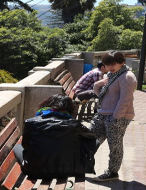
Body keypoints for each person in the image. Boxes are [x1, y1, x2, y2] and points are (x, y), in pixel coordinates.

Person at [13, 94, 97, 178]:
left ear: (46, 104)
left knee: (17, 147)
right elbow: (92, 137)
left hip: (35, 171)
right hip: (71, 170)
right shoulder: (74, 124)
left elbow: (25, 145)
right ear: (70, 109)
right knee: (93, 141)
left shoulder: (31, 123)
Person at [89, 51, 137, 182]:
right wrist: (98, 84)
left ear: (122, 62)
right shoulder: (112, 75)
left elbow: (125, 100)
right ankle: (82, 164)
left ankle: (112, 172)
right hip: (103, 112)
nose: (110, 67)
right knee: (89, 137)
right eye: (107, 64)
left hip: (118, 116)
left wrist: (116, 117)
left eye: (113, 64)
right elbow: (101, 94)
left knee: (114, 145)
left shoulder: (127, 77)